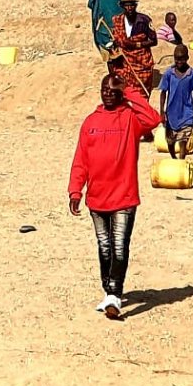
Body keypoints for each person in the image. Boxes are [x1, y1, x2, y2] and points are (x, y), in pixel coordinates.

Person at [69, 74, 163, 320]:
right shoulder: (91, 122)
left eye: (113, 90)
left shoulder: (131, 119)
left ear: (120, 92)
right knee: (105, 247)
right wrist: (75, 190)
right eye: (105, 89)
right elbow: (81, 159)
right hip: (97, 198)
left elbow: (153, 119)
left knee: (120, 248)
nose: (108, 93)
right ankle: (108, 289)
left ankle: (114, 294)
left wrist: (130, 91)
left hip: (124, 196)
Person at [158, 44, 193, 159]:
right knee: (170, 142)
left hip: (187, 113)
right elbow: (163, 92)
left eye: (182, 58)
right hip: (171, 113)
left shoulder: (192, 74)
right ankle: (173, 158)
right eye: (177, 58)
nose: (179, 62)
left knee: (183, 141)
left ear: (187, 58)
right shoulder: (169, 74)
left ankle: (181, 163)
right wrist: (162, 111)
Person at [111, 0, 157, 94]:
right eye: (126, 5)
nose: (129, 8)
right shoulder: (118, 20)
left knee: (141, 94)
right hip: (125, 63)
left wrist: (137, 45)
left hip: (141, 63)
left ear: (135, 5)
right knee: (125, 92)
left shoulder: (144, 20)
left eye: (131, 5)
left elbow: (154, 41)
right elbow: (117, 40)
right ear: (122, 6)